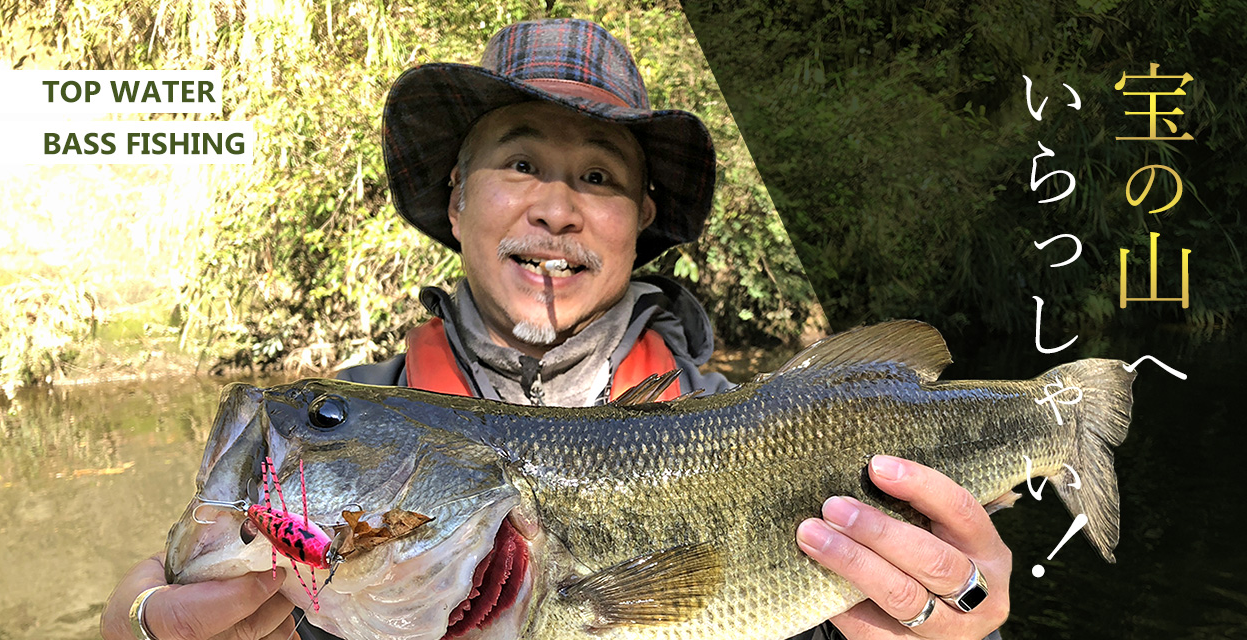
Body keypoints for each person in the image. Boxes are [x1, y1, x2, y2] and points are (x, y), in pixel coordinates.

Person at [102, 18, 1010, 640]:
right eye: (522, 160)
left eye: (600, 177)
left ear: (640, 221)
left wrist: (958, 611)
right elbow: (182, 580)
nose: (557, 208)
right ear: (456, 201)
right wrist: (142, 619)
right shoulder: (357, 427)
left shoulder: (750, 423)